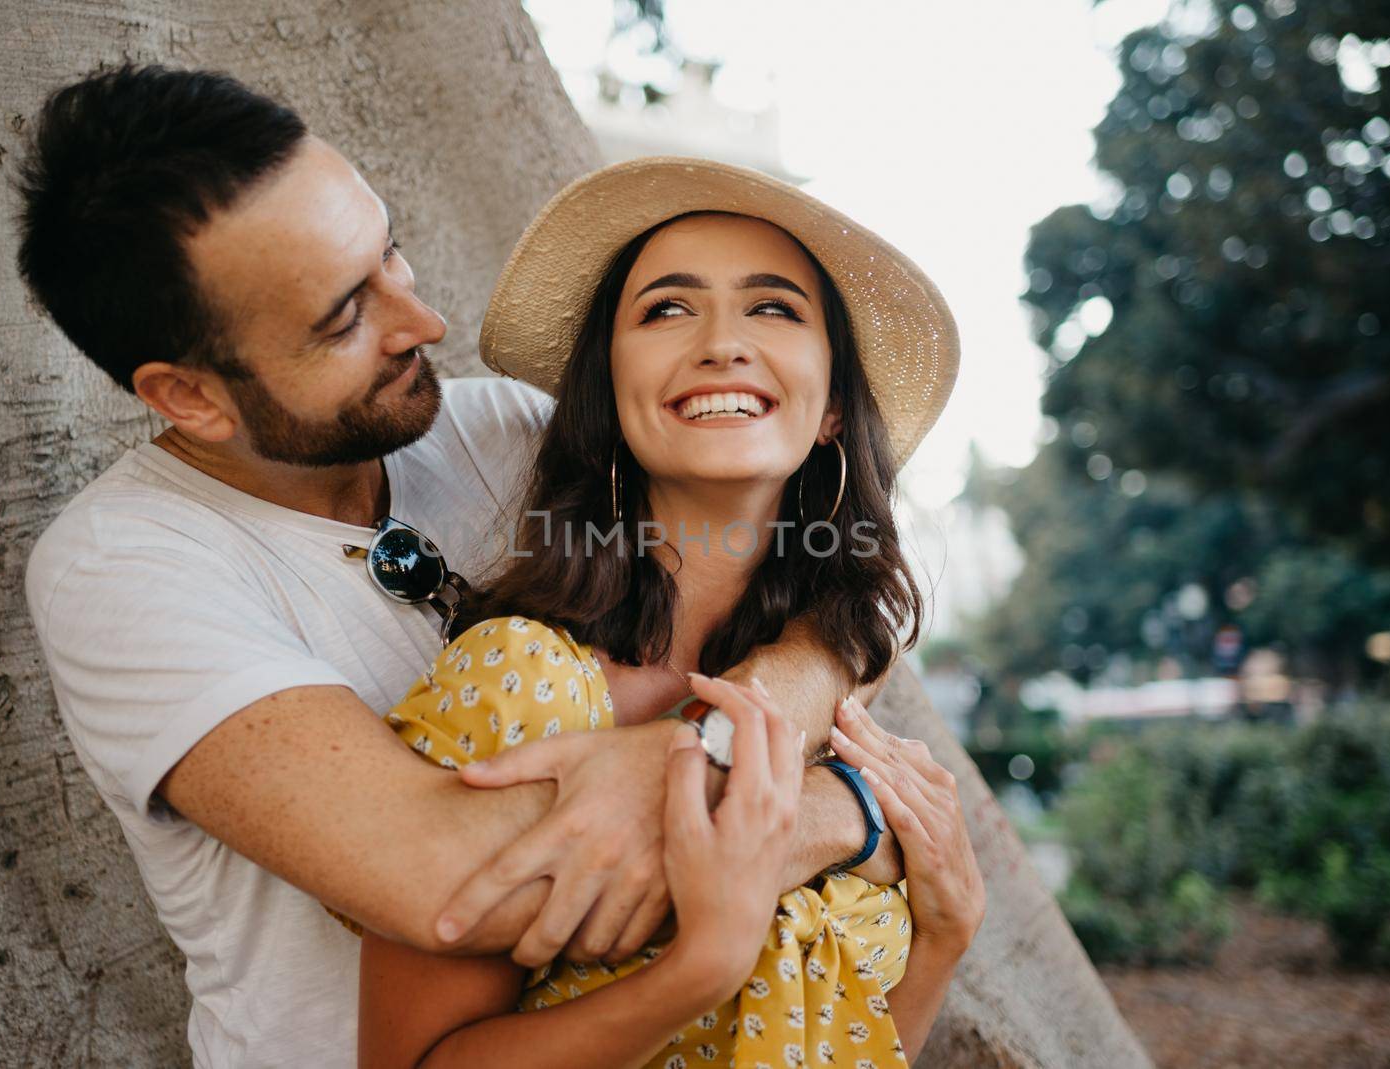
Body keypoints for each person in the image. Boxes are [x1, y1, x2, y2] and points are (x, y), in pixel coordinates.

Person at [16, 65, 931, 1066]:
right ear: (189, 397)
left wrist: (727, 741)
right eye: (343, 318)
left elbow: (825, 583)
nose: (422, 324)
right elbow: (449, 879)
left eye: (389, 254)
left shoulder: (501, 436)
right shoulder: (127, 571)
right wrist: (850, 812)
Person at [349, 163, 985, 1068]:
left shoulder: (836, 699)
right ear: (609, 395)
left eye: (774, 309)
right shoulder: (519, 681)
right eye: (667, 310)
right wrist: (695, 969)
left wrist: (946, 935)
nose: (724, 343)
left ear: (835, 406)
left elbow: (858, 1044)